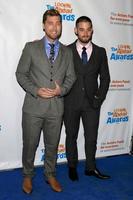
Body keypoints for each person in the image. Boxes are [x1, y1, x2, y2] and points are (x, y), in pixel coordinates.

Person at [16, 9, 76, 193]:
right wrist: (35, 90)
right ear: (44, 25)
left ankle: (50, 174)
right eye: (50, 23)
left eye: (58, 23)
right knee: (30, 144)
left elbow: (71, 77)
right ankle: (27, 175)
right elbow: (21, 74)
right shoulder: (30, 47)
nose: (54, 27)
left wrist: (61, 90)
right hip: (33, 107)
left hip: (56, 109)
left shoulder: (67, 52)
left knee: (52, 145)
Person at [64, 16, 110, 181]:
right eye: (81, 29)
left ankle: (90, 167)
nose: (85, 32)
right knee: (71, 136)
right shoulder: (66, 50)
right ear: (76, 30)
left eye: (88, 29)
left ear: (92, 30)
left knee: (91, 137)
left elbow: (105, 78)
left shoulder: (100, 52)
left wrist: (98, 98)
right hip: (70, 102)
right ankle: (72, 167)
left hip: (92, 104)